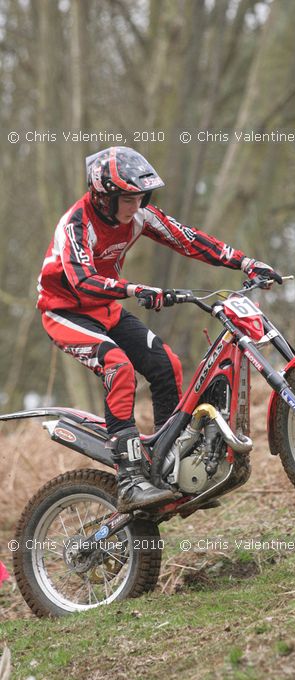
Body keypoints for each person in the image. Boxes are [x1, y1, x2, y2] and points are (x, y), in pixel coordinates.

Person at [37, 146, 282, 512]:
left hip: (105, 308)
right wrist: (136, 290)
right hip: (65, 311)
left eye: (141, 197)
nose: (136, 206)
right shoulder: (75, 224)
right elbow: (83, 281)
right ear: (103, 196)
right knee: (118, 367)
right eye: (128, 198)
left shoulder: (139, 215)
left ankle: (170, 466)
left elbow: (188, 238)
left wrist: (244, 262)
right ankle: (130, 477)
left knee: (167, 365)